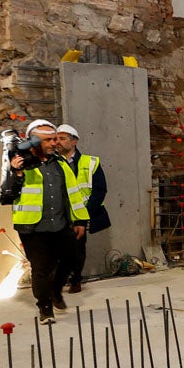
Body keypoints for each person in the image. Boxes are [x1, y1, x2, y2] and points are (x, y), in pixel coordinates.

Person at [0, 119, 88, 324]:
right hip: (32, 227)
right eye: (48, 140)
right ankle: (45, 308)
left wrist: (80, 220)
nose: (54, 143)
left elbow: (73, 193)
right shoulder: (20, 162)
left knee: (73, 259)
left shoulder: (60, 162)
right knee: (41, 268)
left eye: (56, 139)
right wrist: (17, 173)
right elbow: (6, 197)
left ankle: (56, 290)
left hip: (60, 224)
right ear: (33, 142)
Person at [52, 123, 109, 293]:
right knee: (56, 250)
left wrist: (84, 216)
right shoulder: (52, 163)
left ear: (74, 141)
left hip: (80, 215)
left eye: (62, 139)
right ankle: (57, 281)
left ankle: (75, 279)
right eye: (56, 139)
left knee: (77, 250)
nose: (57, 142)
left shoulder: (90, 162)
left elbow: (99, 190)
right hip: (59, 215)